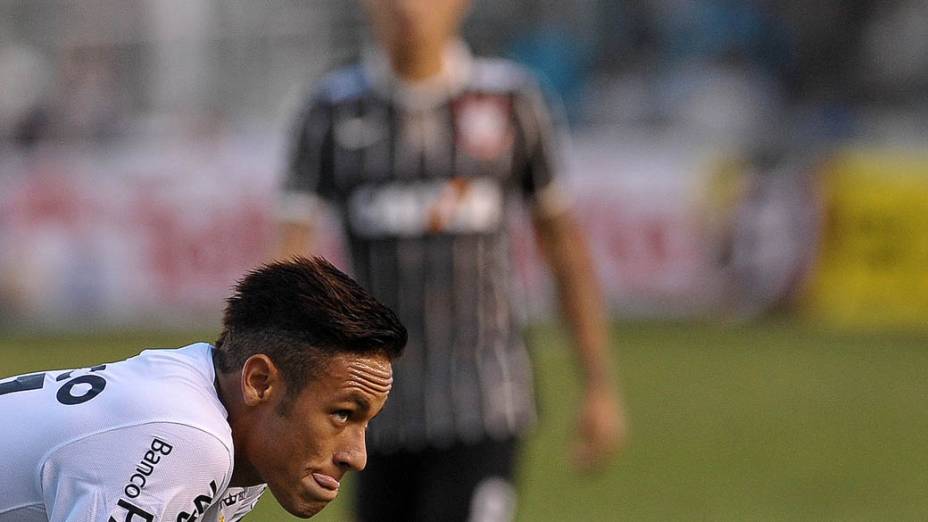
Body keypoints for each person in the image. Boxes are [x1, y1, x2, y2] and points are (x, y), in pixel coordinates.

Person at [277, 1, 627, 520]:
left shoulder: (512, 101)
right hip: (373, 408)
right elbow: (289, 258)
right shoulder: (330, 110)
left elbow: (564, 248)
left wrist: (598, 385)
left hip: (485, 400)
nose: (407, 7)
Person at [0, 256, 407, 521]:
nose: (357, 456)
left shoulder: (236, 433)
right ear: (260, 381)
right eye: (342, 414)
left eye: (365, 423)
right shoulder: (186, 435)